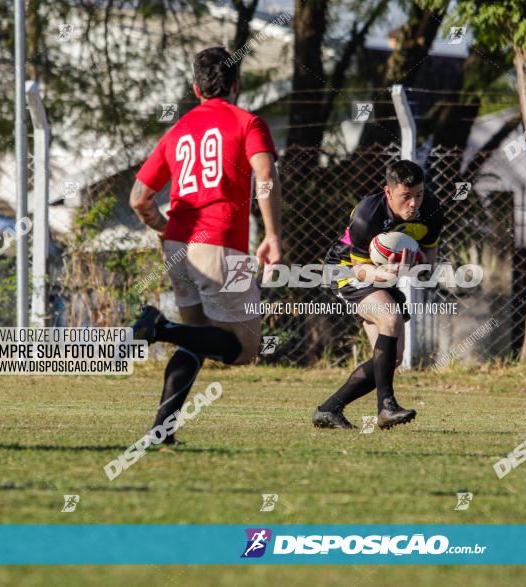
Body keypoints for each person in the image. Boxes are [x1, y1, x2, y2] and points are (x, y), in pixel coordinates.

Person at [129, 46, 281, 446]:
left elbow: (139, 198)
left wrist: (166, 230)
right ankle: (160, 328)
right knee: (244, 348)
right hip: (220, 247)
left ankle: (162, 429)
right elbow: (264, 175)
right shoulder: (248, 122)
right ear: (237, 84)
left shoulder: (177, 131)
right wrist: (271, 234)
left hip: (179, 246)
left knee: (193, 338)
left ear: (196, 88)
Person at [313, 160, 443, 429]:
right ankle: (386, 407)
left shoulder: (430, 209)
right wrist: (392, 275)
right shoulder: (367, 214)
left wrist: (415, 269)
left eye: (418, 195)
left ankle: (329, 410)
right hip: (347, 269)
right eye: (405, 197)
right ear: (388, 192)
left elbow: (429, 262)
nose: (413, 204)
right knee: (391, 319)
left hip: (386, 273)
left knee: (392, 357)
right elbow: (361, 271)